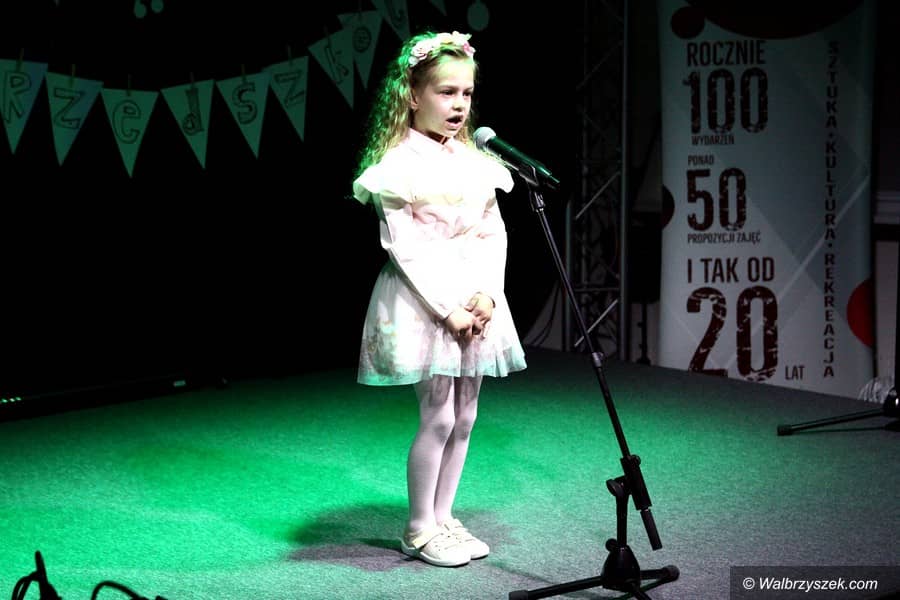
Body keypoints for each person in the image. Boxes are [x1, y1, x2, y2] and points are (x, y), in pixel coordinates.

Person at [351, 30, 527, 568]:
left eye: (466, 94)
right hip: (426, 303)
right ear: (413, 95)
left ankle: (444, 517)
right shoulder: (397, 165)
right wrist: (448, 308)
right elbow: (404, 247)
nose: (459, 105)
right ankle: (418, 527)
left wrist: (488, 295)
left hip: (475, 298)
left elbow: (493, 231)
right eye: (446, 92)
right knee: (439, 417)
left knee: (466, 416)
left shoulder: (475, 160)